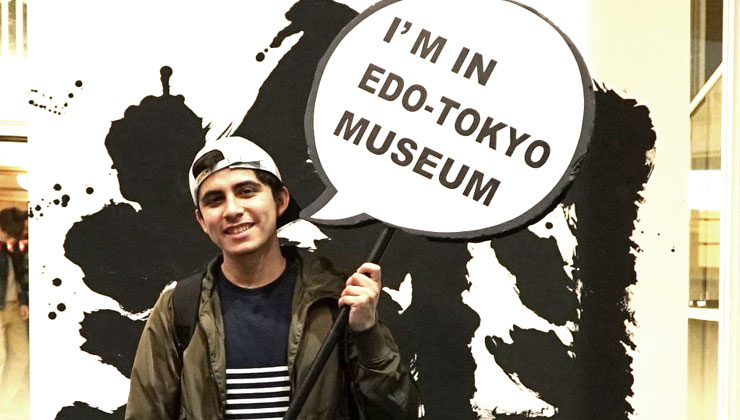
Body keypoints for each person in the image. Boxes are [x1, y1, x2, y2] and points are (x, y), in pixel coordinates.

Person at [126, 136, 418, 419]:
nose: (232, 210)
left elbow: (397, 410)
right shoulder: (178, 310)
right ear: (202, 220)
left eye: (247, 191)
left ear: (280, 200)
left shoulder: (336, 299)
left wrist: (367, 333)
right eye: (214, 200)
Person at [0, 207, 29, 418]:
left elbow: (19, 275)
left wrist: (24, 302)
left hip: (14, 306)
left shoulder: (11, 248)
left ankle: (5, 403)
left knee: (21, 355)